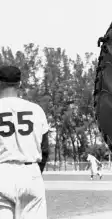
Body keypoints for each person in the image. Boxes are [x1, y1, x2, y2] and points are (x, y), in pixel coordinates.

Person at [0, 65, 49, 219]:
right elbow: (45, 149)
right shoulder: (36, 109)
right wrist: (34, 172)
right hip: (30, 171)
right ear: (20, 84)